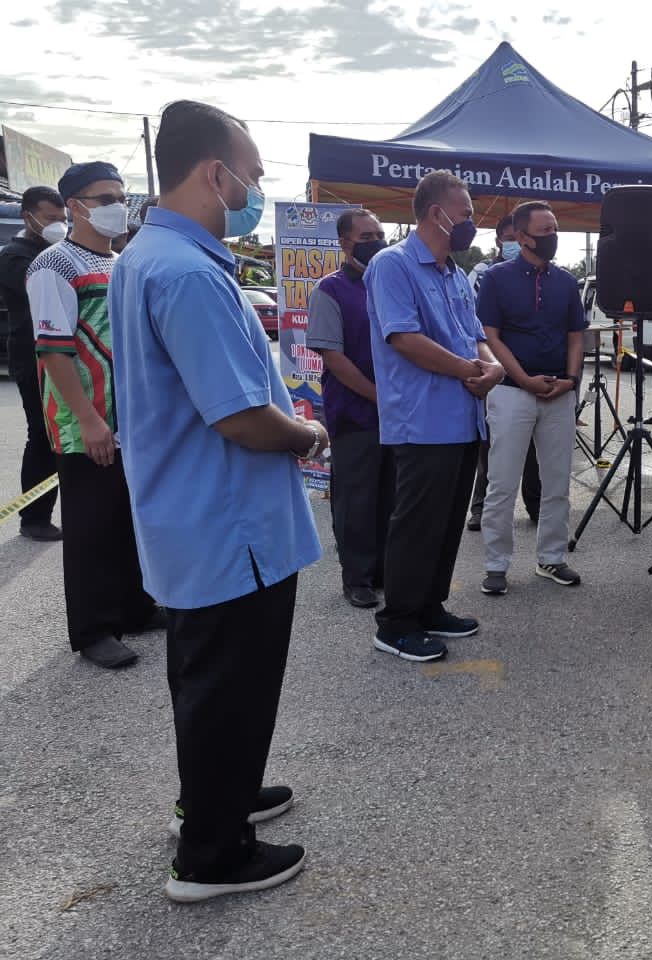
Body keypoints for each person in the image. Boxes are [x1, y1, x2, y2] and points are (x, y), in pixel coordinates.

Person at [109, 100, 327, 902]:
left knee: (207, 676)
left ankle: (213, 797)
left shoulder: (150, 254)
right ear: (215, 173)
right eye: (253, 176)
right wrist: (306, 435)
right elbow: (239, 417)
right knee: (228, 680)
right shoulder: (190, 273)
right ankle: (212, 854)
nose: (255, 190)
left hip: (194, 515)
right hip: (227, 522)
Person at [365, 170, 504, 661]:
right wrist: (474, 367)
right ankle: (396, 621)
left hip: (463, 417)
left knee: (445, 522)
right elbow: (404, 339)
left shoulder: (454, 274)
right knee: (417, 522)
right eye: (465, 214)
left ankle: (429, 606)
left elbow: (474, 334)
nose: (470, 224)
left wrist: (492, 364)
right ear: (435, 214)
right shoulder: (393, 265)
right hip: (422, 419)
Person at [26, 162, 157, 669]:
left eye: (119, 196)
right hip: (87, 423)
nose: (116, 206)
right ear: (75, 206)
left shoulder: (119, 261)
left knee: (127, 518)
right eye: (104, 198)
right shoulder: (54, 266)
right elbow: (54, 351)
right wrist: (88, 419)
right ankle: (93, 629)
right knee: (89, 528)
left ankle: (134, 607)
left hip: (131, 420)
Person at [476, 200, 585, 596]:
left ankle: (552, 558)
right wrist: (521, 378)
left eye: (555, 229)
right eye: (544, 230)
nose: (552, 237)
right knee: (502, 483)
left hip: (558, 392)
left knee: (557, 482)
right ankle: (495, 564)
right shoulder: (496, 278)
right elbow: (490, 334)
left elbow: (576, 335)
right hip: (510, 393)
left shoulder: (566, 281)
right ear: (521, 236)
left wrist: (571, 380)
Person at [306, 208, 395, 609]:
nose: (376, 241)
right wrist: (378, 395)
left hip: (399, 413)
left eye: (379, 233)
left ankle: (384, 571)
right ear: (344, 243)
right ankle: (356, 577)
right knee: (356, 499)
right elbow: (333, 357)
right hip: (356, 413)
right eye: (366, 236)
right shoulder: (331, 290)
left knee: (391, 497)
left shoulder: (393, 283)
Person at [467, 213, 540, 531]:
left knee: (534, 448)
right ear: (499, 240)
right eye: (511, 238)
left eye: (521, 237)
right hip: (496, 369)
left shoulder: (542, 273)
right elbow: (471, 323)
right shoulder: (483, 273)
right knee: (492, 446)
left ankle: (536, 506)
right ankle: (481, 509)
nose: (517, 243)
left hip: (533, 369)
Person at [0, 186, 65, 541]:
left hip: (60, 355)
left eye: (63, 219)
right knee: (41, 436)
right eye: (51, 219)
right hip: (31, 357)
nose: (59, 226)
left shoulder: (52, 251)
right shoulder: (15, 256)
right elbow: (41, 292)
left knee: (58, 435)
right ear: (29, 217)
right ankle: (34, 517)